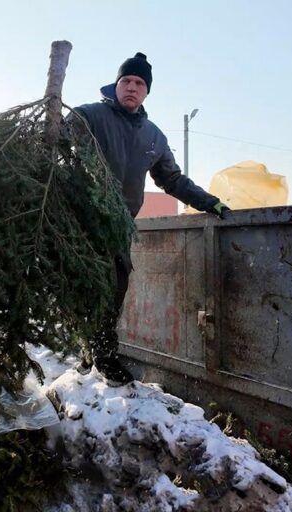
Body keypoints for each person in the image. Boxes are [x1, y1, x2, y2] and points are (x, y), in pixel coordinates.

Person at [71, 52, 229, 385]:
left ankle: (94, 353)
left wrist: (209, 202)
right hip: (82, 219)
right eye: (126, 81)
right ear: (115, 85)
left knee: (115, 290)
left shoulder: (154, 136)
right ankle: (95, 354)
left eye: (138, 83)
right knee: (90, 287)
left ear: (146, 92)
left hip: (120, 225)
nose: (131, 87)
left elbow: (172, 179)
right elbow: (53, 142)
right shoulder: (89, 116)